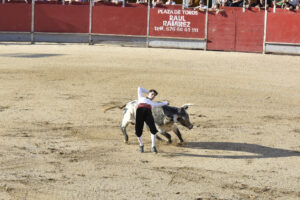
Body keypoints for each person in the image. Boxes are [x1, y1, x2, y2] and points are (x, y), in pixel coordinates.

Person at [135, 86, 168, 153]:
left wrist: (166, 102)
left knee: (153, 130)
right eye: (152, 94)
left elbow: (161, 104)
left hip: (148, 113)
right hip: (140, 113)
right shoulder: (141, 97)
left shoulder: (153, 103)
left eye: (154, 95)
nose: (153, 96)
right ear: (149, 93)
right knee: (138, 131)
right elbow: (139, 88)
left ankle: (153, 146)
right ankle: (141, 145)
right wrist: (148, 92)